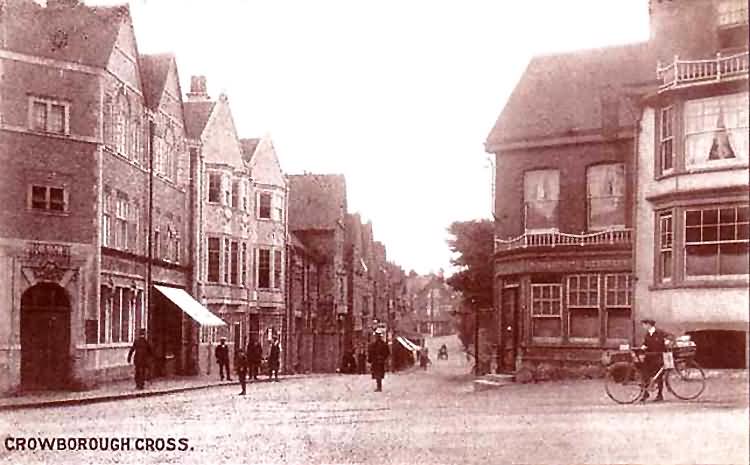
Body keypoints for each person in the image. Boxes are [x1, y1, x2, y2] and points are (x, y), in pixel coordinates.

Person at [639, 318, 672, 402]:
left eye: (644, 324)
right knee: (645, 374)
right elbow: (646, 343)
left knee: (659, 376)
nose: (643, 326)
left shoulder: (659, 332)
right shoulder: (647, 334)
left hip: (659, 356)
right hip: (650, 357)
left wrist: (667, 341)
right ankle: (645, 393)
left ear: (649, 325)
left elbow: (670, 336)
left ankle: (660, 395)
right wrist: (643, 347)